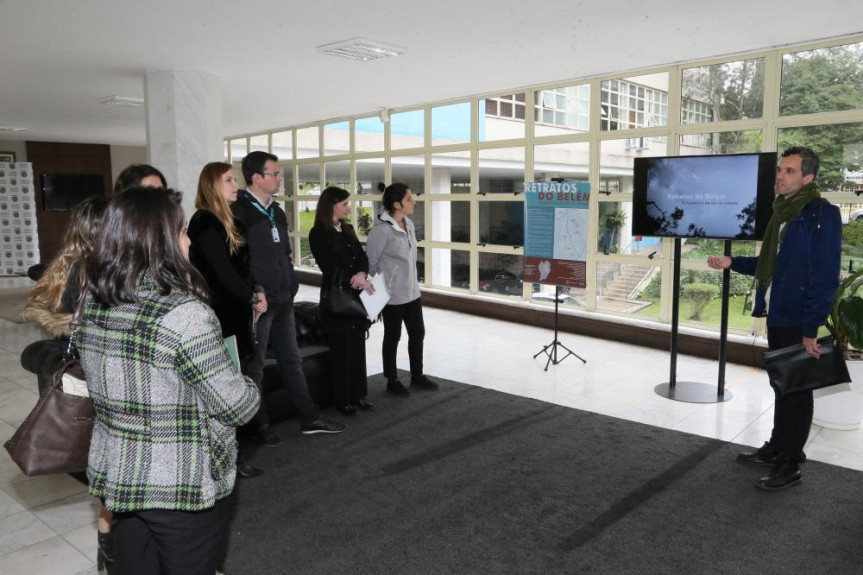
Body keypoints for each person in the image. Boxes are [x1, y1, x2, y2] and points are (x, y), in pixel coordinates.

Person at [77, 187, 260, 574]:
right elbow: (234, 406)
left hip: (120, 479)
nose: (189, 239)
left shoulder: (94, 302)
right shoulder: (184, 314)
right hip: (180, 484)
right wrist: (249, 384)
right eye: (180, 231)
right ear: (157, 241)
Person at [707, 146, 841, 491]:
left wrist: (812, 326)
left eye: (789, 171)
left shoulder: (820, 215)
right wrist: (732, 262)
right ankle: (776, 447)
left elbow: (824, 275)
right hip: (778, 313)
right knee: (782, 385)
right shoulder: (782, 213)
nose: (780, 175)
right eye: (780, 169)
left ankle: (790, 464)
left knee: (796, 391)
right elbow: (775, 266)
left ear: (808, 177)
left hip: (798, 317)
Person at [21, 196, 113, 570]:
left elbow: (46, 310)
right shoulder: (98, 268)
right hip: (101, 372)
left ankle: (107, 541)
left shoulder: (67, 262)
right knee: (111, 460)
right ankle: (110, 542)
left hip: (85, 368)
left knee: (106, 462)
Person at [232, 151, 345, 444]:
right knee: (254, 367)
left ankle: (310, 418)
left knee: (292, 360)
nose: (280, 179)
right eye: (275, 174)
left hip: (284, 298)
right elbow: (238, 262)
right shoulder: (240, 212)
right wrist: (254, 293)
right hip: (260, 304)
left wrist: (291, 280)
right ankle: (258, 425)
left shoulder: (276, 211)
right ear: (256, 178)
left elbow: (283, 252)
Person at [188, 161, 268, 478]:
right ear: (211, 185)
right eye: (229, 180)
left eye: (235, 179)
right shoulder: (204, 223)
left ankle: (235, 452)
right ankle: (228, 459)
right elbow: (222, 273)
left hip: (236, 313)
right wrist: (251, 296)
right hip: (219, 317)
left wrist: (257, 291)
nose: (236, 184)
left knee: (237, 380)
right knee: (223, 387)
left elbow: (243, 270)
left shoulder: (229, 221)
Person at [366, 182, 438, 396]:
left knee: (418, 333)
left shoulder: (408, 223)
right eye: (408, 199)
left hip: (412, 292)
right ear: (396, 204)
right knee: (393, 336)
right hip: (392, 296)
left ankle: (417, 375)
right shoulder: (381, 231)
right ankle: (392, 379)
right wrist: (389, 281)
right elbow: (371, 263)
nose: (413, 201)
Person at [309, 186, 375, 416]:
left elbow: (362, 256)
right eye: (345, 204)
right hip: (337, 300)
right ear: (331, 205)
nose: (349, 207)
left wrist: (362, 274)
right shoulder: (318, 233)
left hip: (356, 298)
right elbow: (329, 267)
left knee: (358, 349)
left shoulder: (347, 229)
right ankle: (342, 400)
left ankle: (358, 395)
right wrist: (353, 278)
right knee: (342, 353)